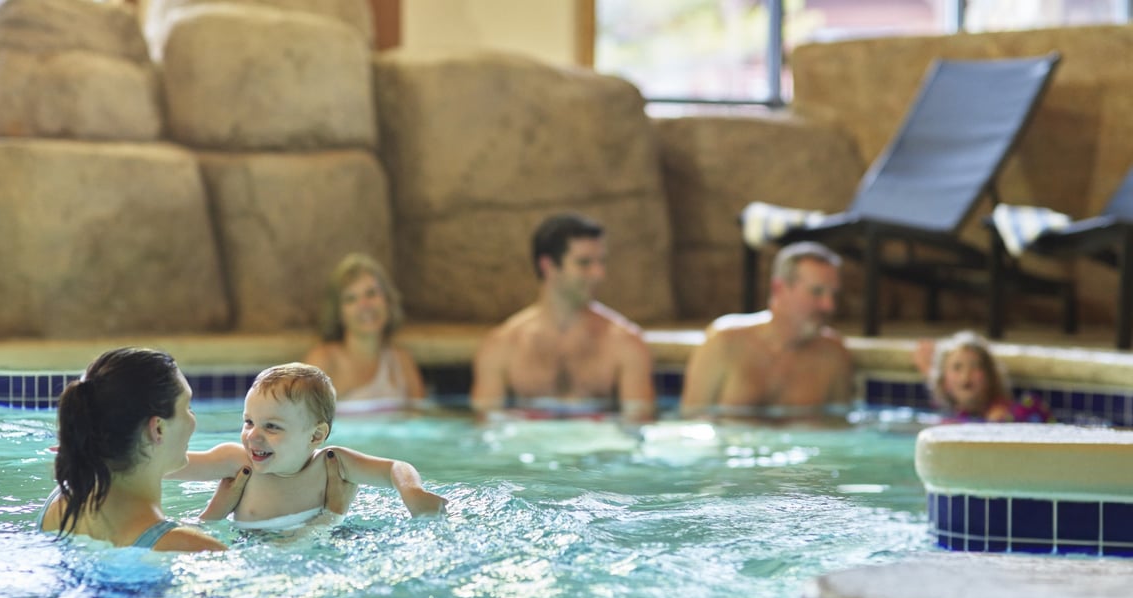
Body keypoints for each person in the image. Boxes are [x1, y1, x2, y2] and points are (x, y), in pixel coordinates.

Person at [171, 362, 447, 532]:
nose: (253, 435)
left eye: (272, 426)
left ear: (315, 436)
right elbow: (170, 464)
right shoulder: (237, 461)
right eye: (248, 422)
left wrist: (412, 492)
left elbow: (394, 468)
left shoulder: (331, 464)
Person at [35, 348, 227, 552]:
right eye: (187, 407)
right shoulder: (195, 548)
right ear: (158, 428)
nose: (192, 418)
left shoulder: (58, 506)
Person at [470, 212, 655, 421]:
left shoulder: (626, 343)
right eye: (584, 263)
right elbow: (486, 431)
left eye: (600, 262)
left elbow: (638, 426)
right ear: (547, 266)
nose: (598, 273)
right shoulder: (501, 346)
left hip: (599, 449)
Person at [680, 241, 854, 418]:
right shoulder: (724, 342)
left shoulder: (833, 355)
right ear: (779, 288)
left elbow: (839, 430)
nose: (829, 305)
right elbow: (692, 423)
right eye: (817, 292)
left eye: (833, 294)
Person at [303, 253, 426, 414]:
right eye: (351, 299)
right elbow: (304, 427)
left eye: (371, 294)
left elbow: (421, 425)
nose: (364, 305)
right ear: (339, 312)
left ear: (387, 300)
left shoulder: (401, 363)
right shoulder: (324, 362)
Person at [913, 330, 1052, 423]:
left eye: (975, 366)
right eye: (957, 367)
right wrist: (928, 371)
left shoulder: (1013, 411)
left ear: (990, 377)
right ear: (945, 382)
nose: (966, 375)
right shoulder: (951, 417)